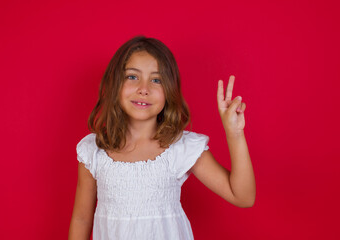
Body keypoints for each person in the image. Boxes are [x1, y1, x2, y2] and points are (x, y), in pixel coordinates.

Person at [68, 36, 256, 240]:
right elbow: (81, 219)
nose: (144, 88)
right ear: (115, 84)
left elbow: (243, 197)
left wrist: (234, 133)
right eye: (132, 76)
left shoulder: (180, 148)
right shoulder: (93, 151)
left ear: (169, 91)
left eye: (156, 80)